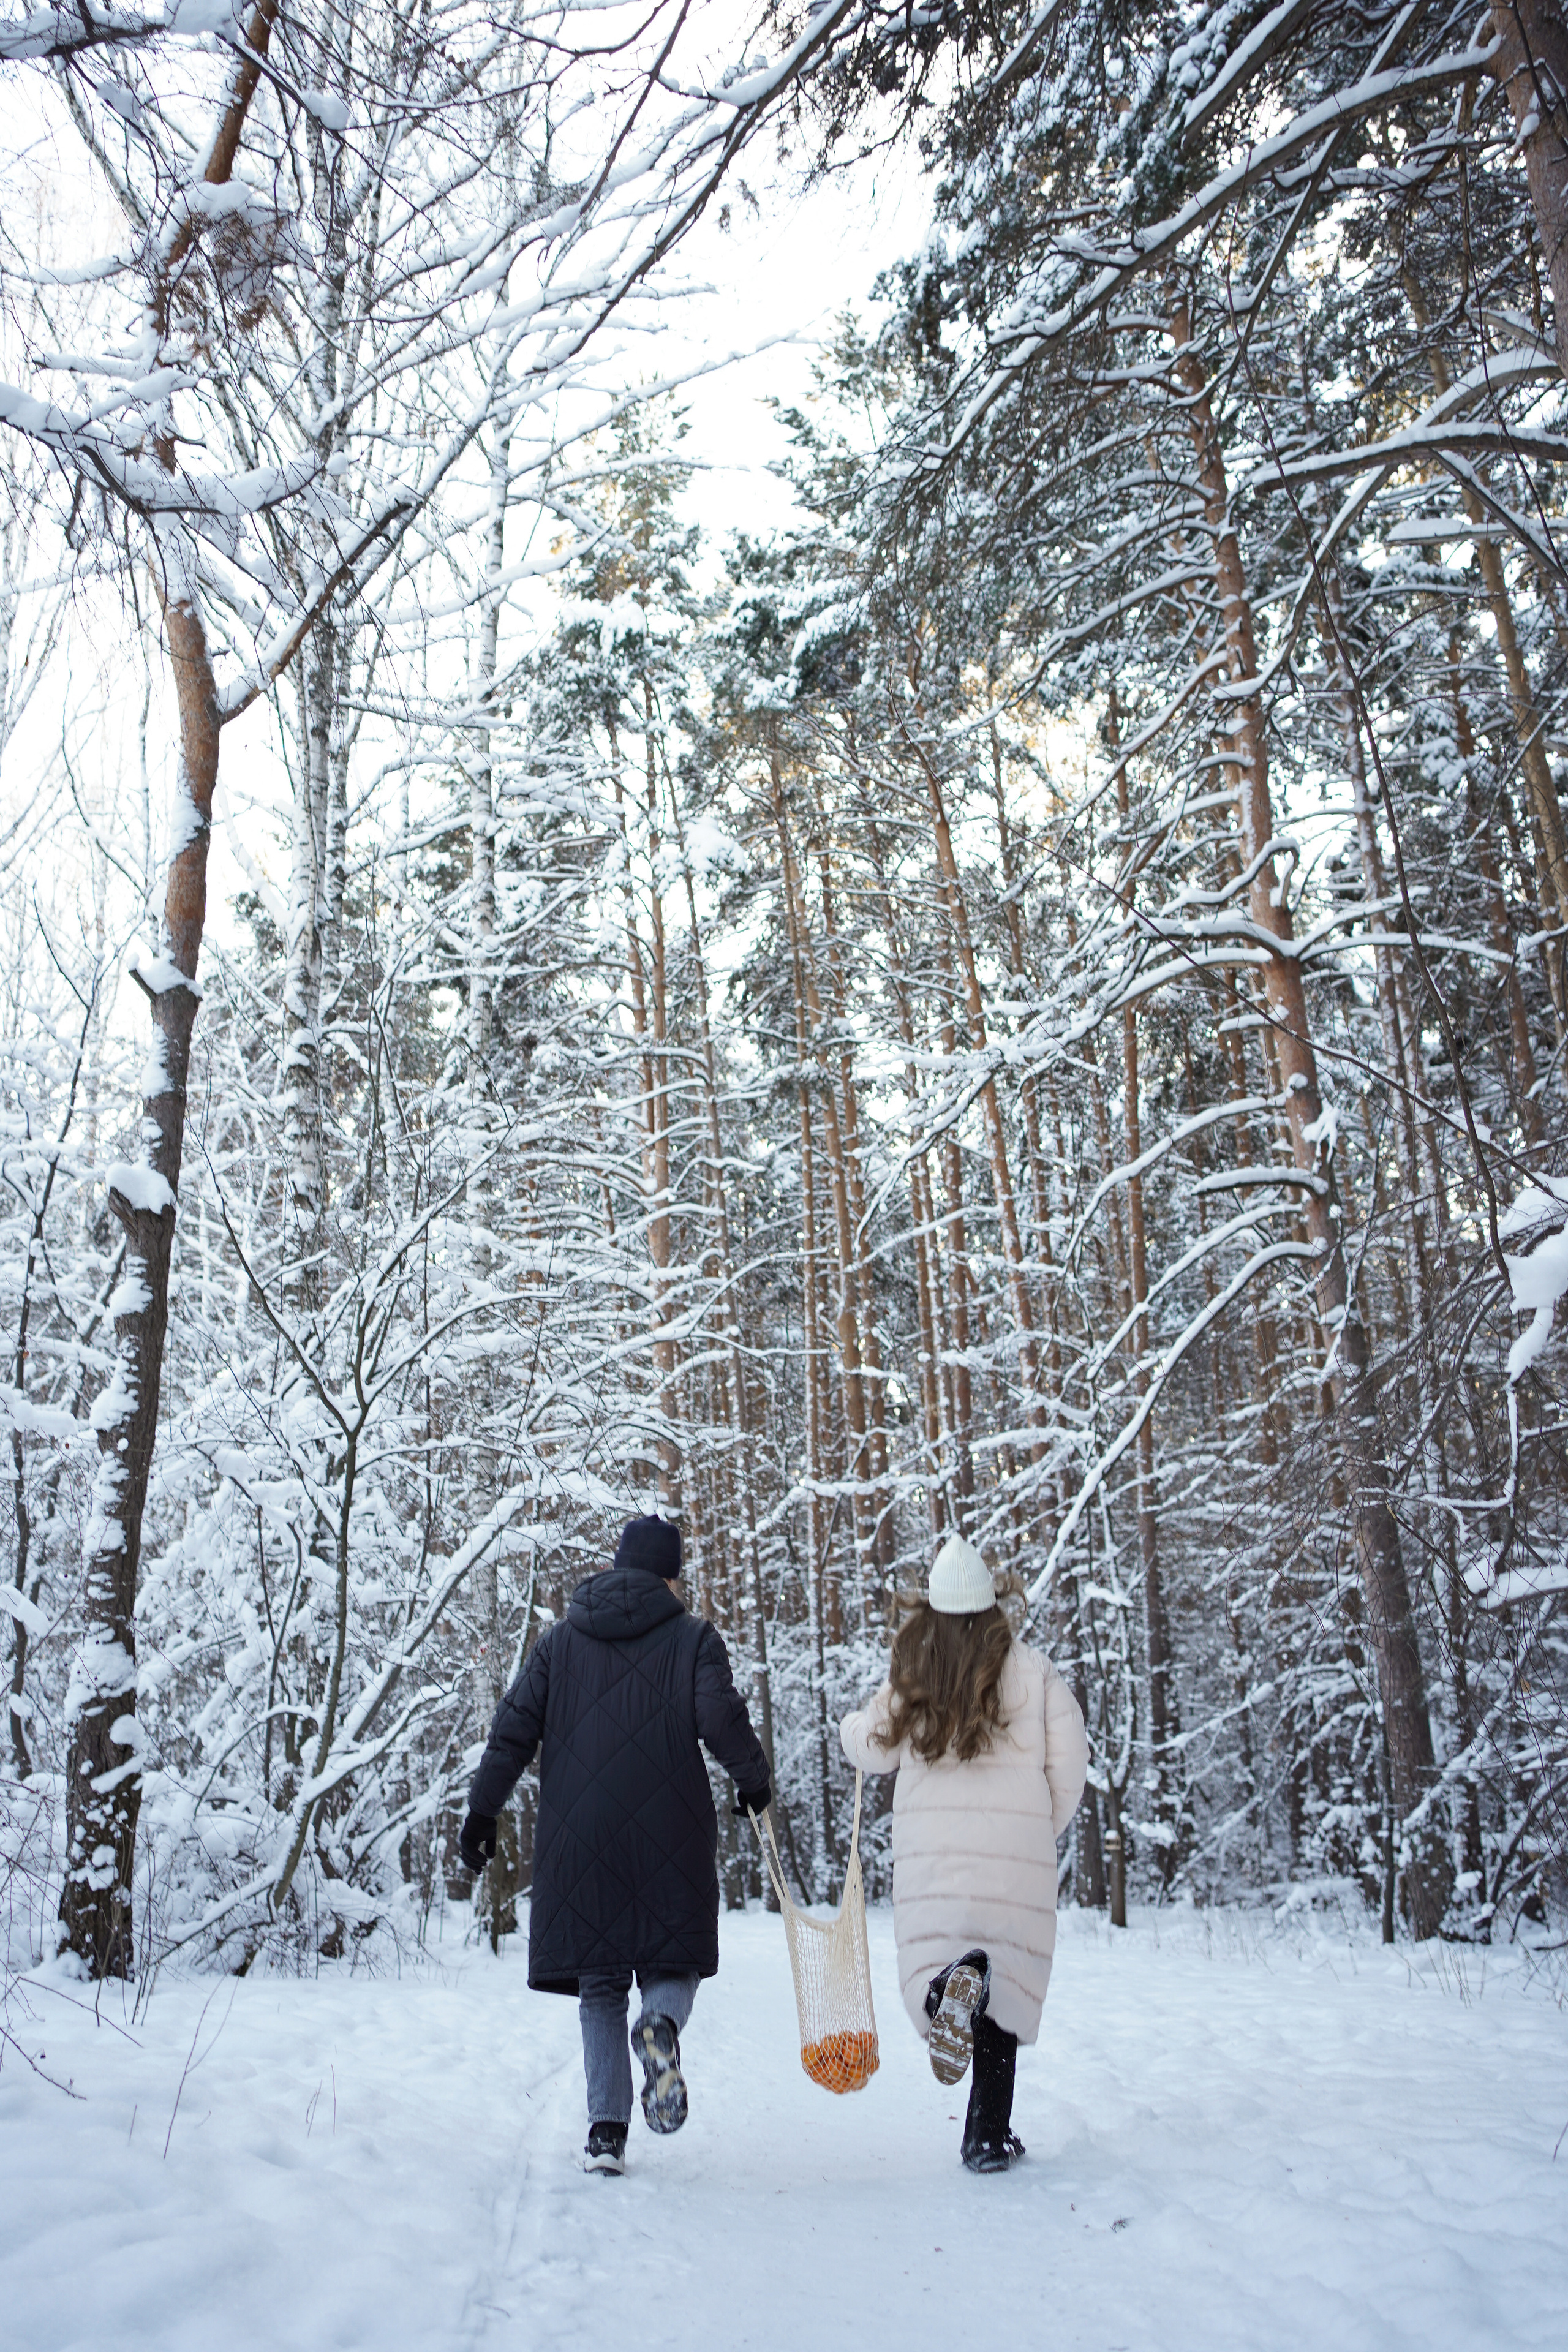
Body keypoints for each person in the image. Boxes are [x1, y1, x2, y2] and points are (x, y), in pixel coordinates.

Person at [459, 1513, 771, 2175]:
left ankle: (606, 2133)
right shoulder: (693, 1638)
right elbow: (719, 1717)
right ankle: (659, 2024)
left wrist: (481, 1814)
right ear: (670, 1576)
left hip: (580, 1832)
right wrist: (753, 1782)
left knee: (599, 1981)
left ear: (614, 1565)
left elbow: (510, 1730)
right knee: (672, 1962)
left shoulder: (559, 1643)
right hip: (671, 1828)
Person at [840, 1532, 1088, 2173]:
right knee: (1001, 1990)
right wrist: (1040, 1828)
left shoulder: (914, 1674)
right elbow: (1071, 1762)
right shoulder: (1034, 1670)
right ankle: (985, 2137)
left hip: (933, 1856)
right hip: (1017, 1855)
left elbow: (871, 1747)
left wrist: (849, 1726)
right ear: (991, 1606)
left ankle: (944, 1992)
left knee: (936, 1964)